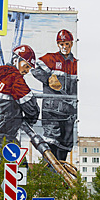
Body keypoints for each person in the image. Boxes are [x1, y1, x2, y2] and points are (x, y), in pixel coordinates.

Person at [32, 29, 77, 161]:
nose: (64, 47)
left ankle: (61, 176)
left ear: (71, 44)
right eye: (62, 44)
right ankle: (50, 174)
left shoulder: (75, 63)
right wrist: (47, 79)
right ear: (58, 45)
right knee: (50, 143)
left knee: (65, 145)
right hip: (51, 110)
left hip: (69, 112)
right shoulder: (51, 59)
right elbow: (35, 68)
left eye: (67, 44)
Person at [0, 45, 40, 144]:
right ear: (15, 60)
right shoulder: (15, 78)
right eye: (26, 66)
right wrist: (28, 121)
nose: (27, 71)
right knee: (18, 157)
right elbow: (32, 109)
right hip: (4, 133)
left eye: (29, 68)